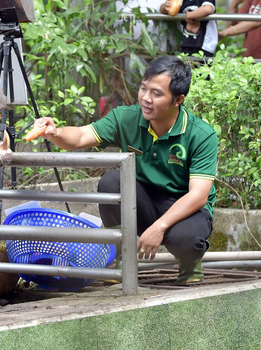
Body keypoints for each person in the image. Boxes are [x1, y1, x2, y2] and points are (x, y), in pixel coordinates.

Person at [31, 56, 217, 284]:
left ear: (178, 99)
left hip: (183, 208)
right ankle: (123, 256)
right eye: (143, 88)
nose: (146, 99)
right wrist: (55, 132)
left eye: (156, 94)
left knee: (187, 239)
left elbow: (198, 195)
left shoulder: (201, 134)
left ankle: (189, 265)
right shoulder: (126, 118)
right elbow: (80, 136)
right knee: (112, 182)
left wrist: (159, 227)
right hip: (141, 200)